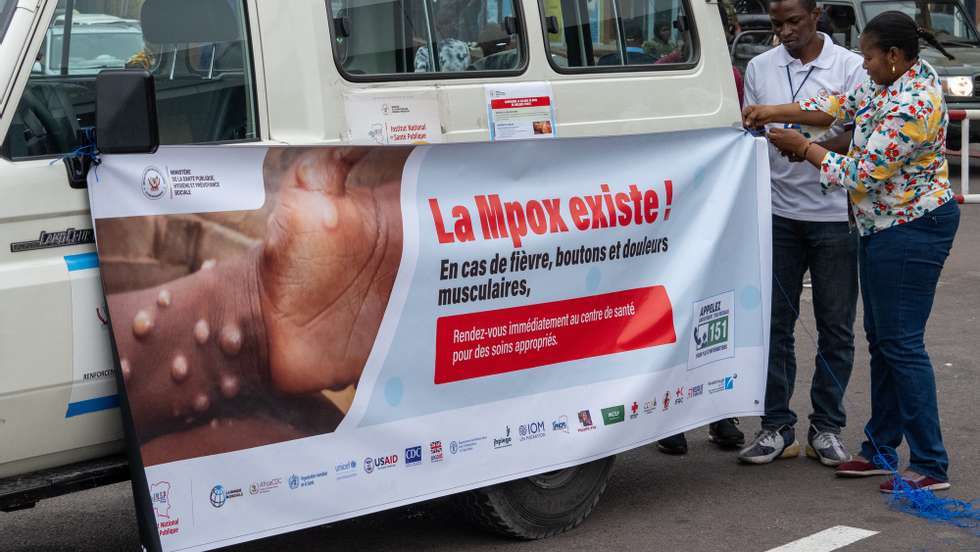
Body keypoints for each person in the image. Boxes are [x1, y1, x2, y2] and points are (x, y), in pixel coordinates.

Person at [745, 11, 960, 492]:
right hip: (883, 225)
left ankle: (930, 461)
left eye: (867, 56)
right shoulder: (888, 81)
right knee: (883, 341)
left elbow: (861, 174)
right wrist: (775, 113)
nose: (861, 65)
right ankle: (881, 450)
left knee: (901, 345)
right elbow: (838, 107)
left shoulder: (912, 103)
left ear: (895, 55)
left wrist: (805, 149)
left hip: (912, 227)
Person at [736, 0, 866, 468]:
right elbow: (750, 132)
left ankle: (827, 428)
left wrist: (808, 150)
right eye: (777, 24)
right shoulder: (759, 67)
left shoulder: (851, 66)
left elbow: (857, 132)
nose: (786, 31)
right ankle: (776, 428)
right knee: (774, 326)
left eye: (794, 21)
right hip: (777, 213)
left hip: (834, 215)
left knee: (835, 328)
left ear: (816, 14)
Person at [415, 0, 471, 73]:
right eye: (445, 23)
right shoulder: (424, 52)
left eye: (453, 22)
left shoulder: (463, 47)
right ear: (436, 25)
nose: (451, 26)